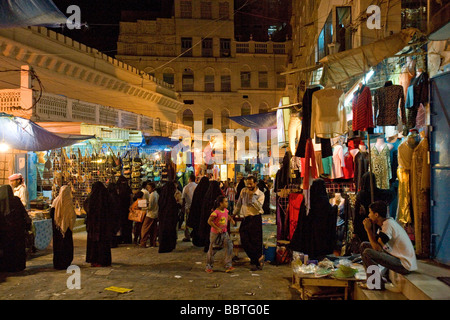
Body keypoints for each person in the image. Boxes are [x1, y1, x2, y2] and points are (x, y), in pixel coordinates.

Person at [360, 201, 417, 289]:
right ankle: (378, 279)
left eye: (370, 213)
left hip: (403, 264)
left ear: (376, 215)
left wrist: (368, 230)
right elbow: (378, 244)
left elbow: (377, 249)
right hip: (396, 258)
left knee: (368, 252)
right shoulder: (385, 224)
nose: (368, 215)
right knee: (364, 245)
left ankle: (375, 284)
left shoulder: (388, 225)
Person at [233, 176, 265, 271]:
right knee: (244, 239)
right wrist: (234, 214)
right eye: (247, 184)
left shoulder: (260, 194)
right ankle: (257, 258)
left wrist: (252, 198)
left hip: (255, 218)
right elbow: (239, 204)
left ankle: (256, 261)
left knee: (255, 241)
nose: (249, 186)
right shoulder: (243, 191)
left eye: (251, 184)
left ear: (255, 183)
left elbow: (259, 208)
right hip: (246, 219)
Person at [353, 172, 395, 245]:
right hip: (377, 222)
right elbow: (391, 194)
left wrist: (355, 231)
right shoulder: (380, 193)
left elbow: (357, 215)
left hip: (364, 224)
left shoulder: (361, 195)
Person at [0, 185, 32, 272]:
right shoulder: (16, 200)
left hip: (5, 233)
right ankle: (18, 266)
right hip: (18, 231)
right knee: (18, 250)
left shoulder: (1, 201)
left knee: (7, 250)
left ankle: (7, 267)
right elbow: (24, 214)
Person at [84, 181, 113, 267]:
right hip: (104, 226)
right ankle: (104, 260)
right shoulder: (107, 197)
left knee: (94, 244)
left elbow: (87, 209)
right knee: (103, 244)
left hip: (93, 226)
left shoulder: (91, 198)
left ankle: (95, 260)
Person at [205, 195, 235, 274]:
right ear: (220, 203)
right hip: (215, 234)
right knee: (212, 250)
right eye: (225, 201)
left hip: (224, 232)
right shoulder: (215, 212)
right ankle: (209, 266)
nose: (227, 203)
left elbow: (226, 216)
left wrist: (231, 219)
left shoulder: (226, 210)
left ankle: (228, 265)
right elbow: (209, 221)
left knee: (229, 246)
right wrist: (217, 228)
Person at [51, 185, 77, 270]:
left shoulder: (55, 201)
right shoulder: (69, 202)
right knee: (66, 245)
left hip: (57, 228)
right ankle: (66, 262)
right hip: (67, 229)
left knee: (58, 246)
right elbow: (72, 216)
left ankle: (58, 263)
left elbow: (52, 214)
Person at [199, 180, 224, 252]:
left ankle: (208, 246)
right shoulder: (219, 195)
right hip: (216, 218)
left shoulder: (207, 195)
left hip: (208, 217)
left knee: (208, 232)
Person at [158, 181, 182, 253]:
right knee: (169, 232)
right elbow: (173, 208)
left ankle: (164, 246)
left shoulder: (163, 197)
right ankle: (169, 246)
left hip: (163, 218)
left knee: (163, 231)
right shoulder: (171, 199)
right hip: (170, 219)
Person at [188, 176, 210, 247]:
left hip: (196, 212)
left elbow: (194, 202)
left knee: (197, 227)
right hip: (204, 213)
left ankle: (197, 241)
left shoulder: (197, 190)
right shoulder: (208, 191)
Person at [140, 182, 159, 248]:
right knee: (153, 229)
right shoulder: (156, 194)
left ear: (152, 188)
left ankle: (143, 242)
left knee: (144, 229)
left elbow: (150, 207)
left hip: (150, 214)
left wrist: (143, 208)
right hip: (155, 214)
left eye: (149, 188)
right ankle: (153, 242)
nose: (148, 189)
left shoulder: (152, 195)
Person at [116, 175, 133, 244]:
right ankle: (127, 239)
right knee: (127, 225)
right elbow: (131, 199)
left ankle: (120, 239)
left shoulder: (118, 189)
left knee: (120, 225)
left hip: (119, 210)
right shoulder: (128, 189)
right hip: (127, 210)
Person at [181, 174, 197, 242]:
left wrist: (183, 207)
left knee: (187, 221)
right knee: (195, 221)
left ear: (189, 179)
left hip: (188, 207)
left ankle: (187, 236)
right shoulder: (197, 186)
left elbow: (183, 198)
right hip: (196, 207)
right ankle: (195, 235)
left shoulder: (186, 187)